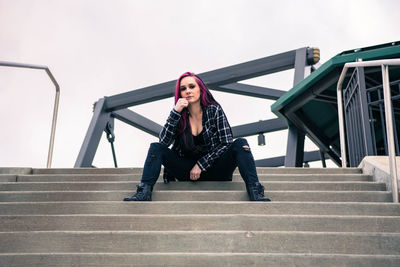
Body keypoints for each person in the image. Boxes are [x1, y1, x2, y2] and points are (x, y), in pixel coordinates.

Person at [123, 72, 271, 202]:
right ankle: (144, 193)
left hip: (216, 170)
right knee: (155, 147)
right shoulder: (179, 116)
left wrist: (201, 164)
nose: (188, 91)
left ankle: (255, 192)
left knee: (240, 143)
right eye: (183, 88)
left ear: (201, 89)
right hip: (187, 171)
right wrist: (175, 112)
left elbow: (226, 143)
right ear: (179, 93)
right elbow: (163, 143)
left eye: (191, 86)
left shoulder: (214, 110)